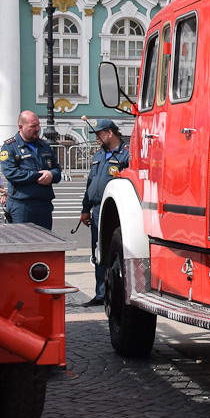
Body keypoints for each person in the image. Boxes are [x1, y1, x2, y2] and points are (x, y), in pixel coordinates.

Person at [79, 119, 130, 305]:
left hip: (116, 210)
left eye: (99, 134)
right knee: (98, 251)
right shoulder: (98, 156)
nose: (96, 138)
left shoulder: (126, 154)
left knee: (115, 250)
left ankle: (117, 292)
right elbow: (90, 184)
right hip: (97, 208)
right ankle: (100, 293)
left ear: (110, 133)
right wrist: (85, 209)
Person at [0, 110, 62, 229]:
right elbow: (11, 173)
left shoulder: (44, 146)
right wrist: (39, 176)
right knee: (22, 244)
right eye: (33, 126)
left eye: (38, 125)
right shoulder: (10, 147)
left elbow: (57, 170)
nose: (37, 129)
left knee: (45, 243)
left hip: (44, 204)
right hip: (22, 205)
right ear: (21, 127)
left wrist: (51, 175)